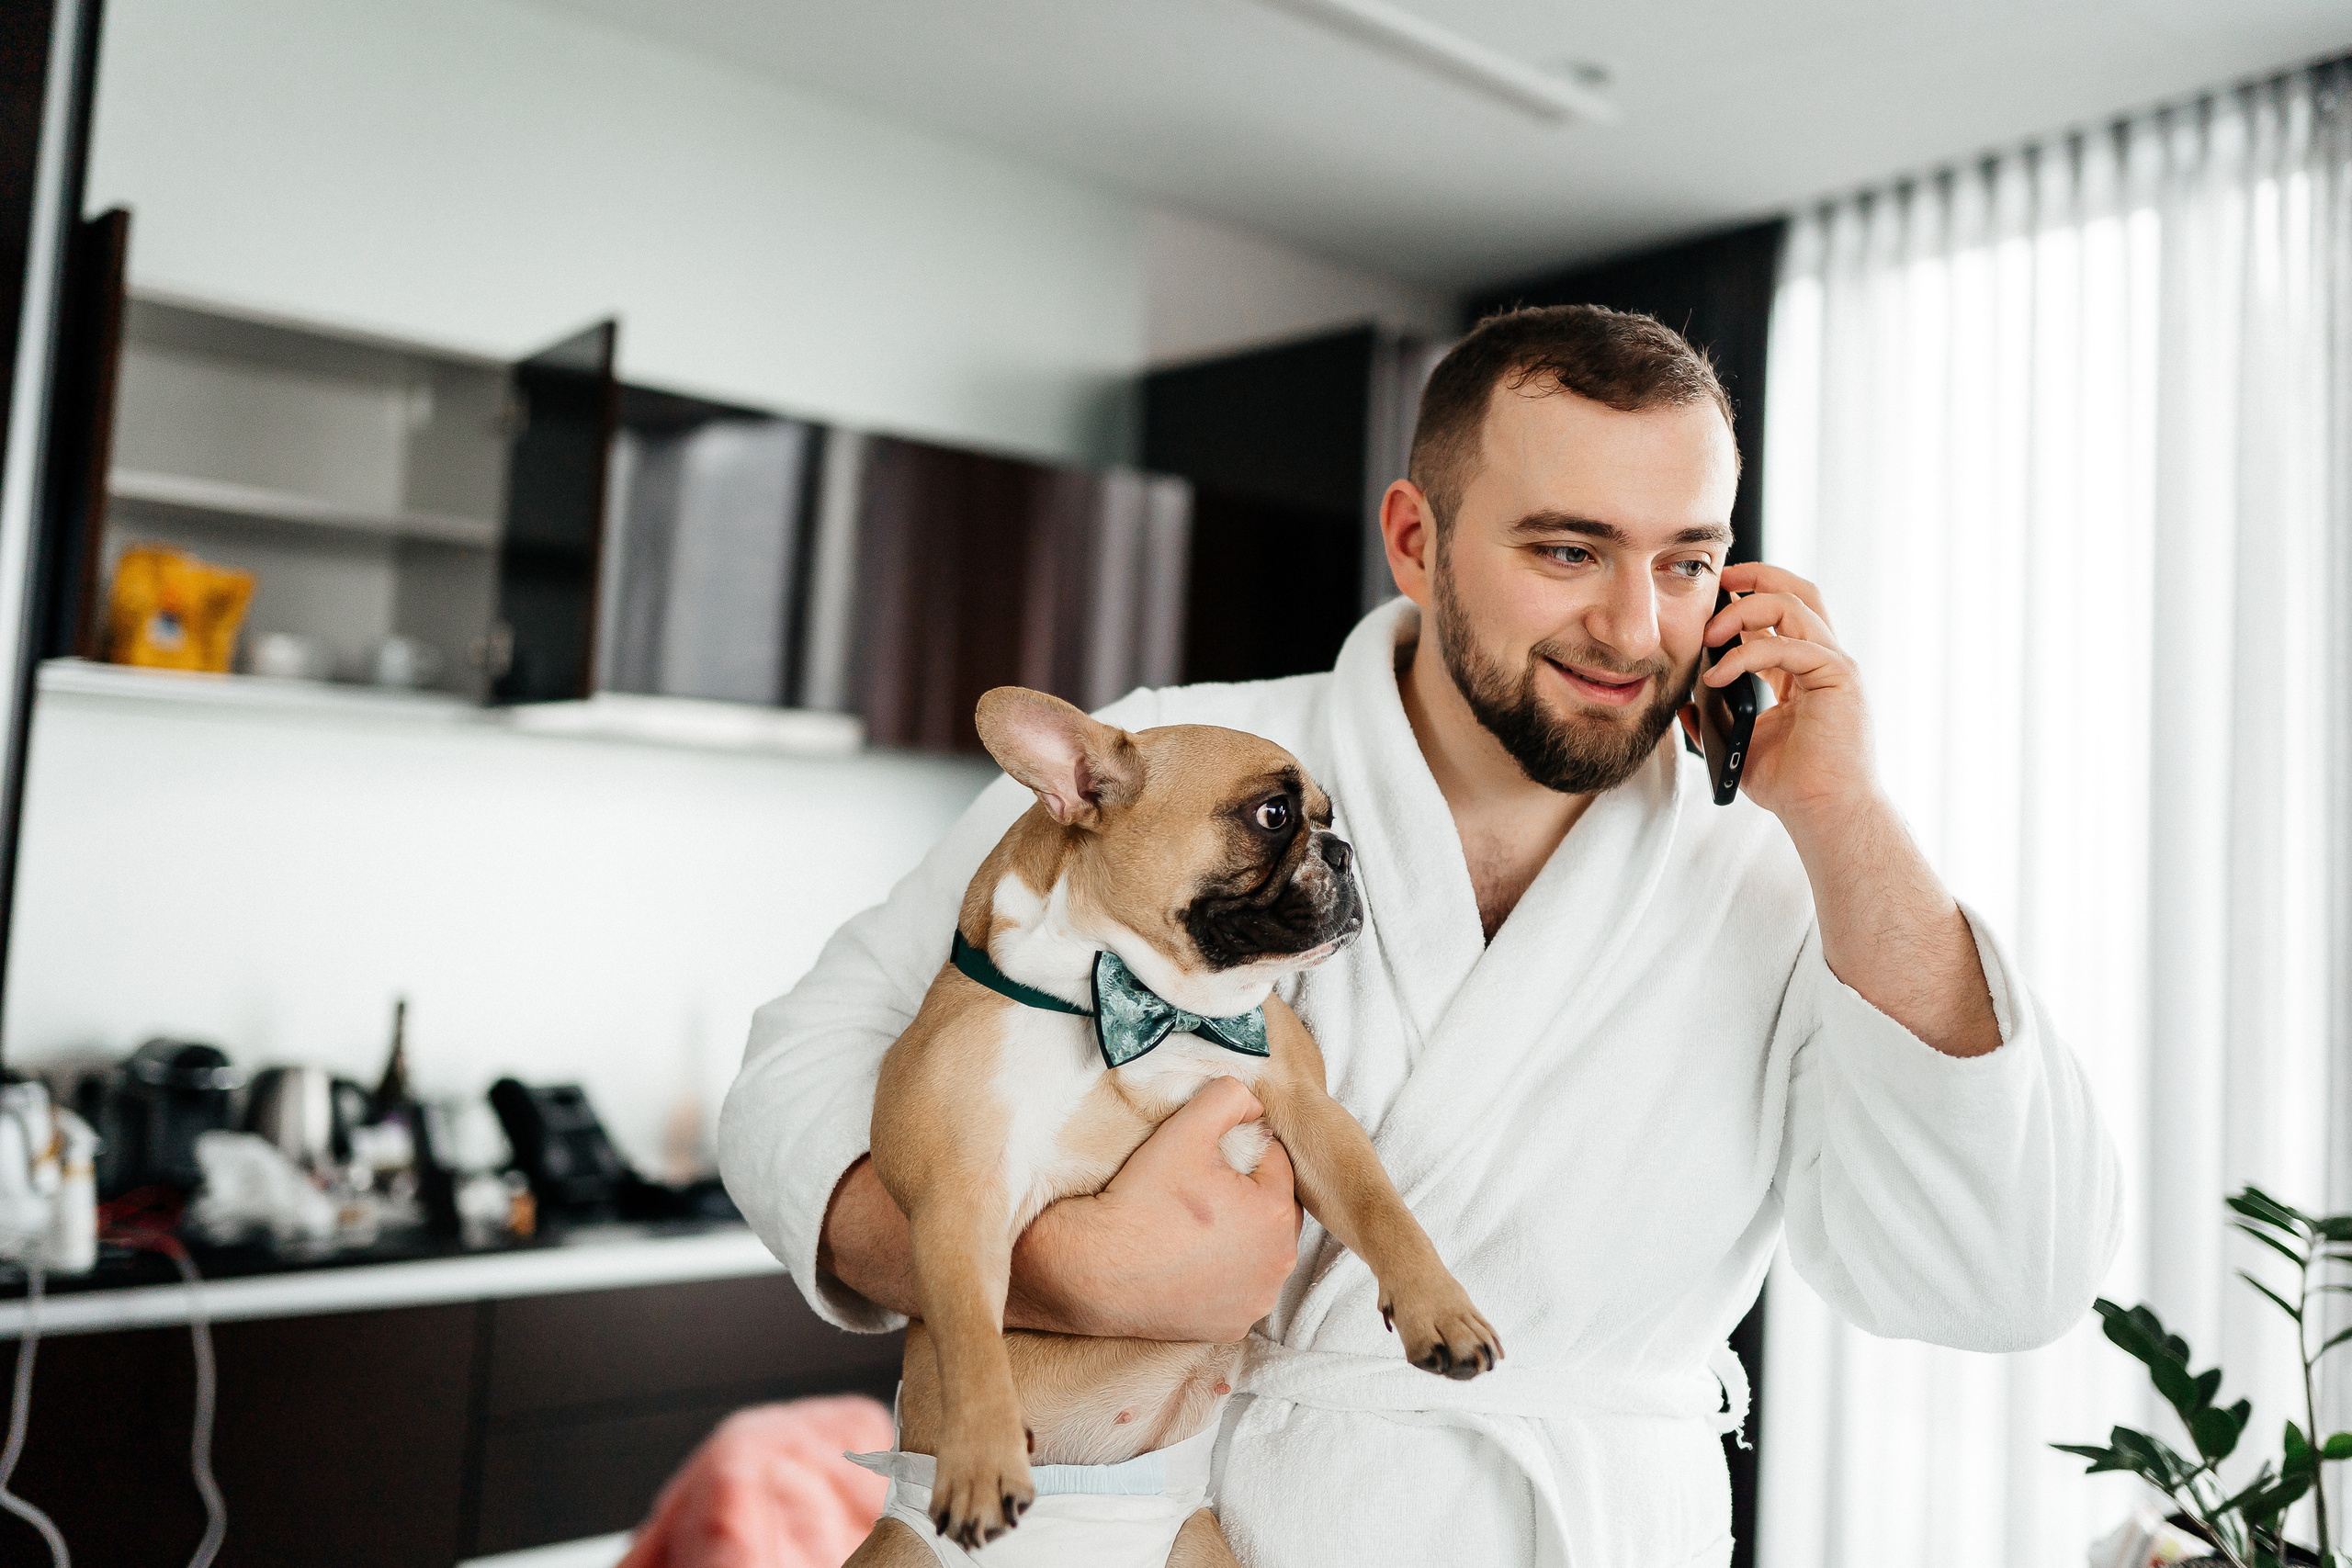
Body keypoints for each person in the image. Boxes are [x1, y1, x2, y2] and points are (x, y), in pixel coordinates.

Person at [718, 305, 2121, 1565]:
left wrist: (1846, 813)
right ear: (1416, 537)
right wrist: (1055, 1272)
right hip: (1168, 1527)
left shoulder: (1791, 865)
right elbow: (794, 1078)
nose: (1636, 629)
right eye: (1570, 550)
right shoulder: (1172, 755)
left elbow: (2006, 1275)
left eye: (1688, 563)